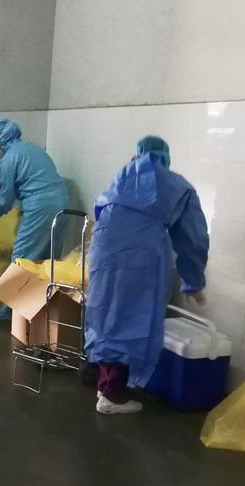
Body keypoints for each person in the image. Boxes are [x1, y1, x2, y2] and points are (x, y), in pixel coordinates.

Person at [85, 136, 209, 415]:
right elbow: (193, 239)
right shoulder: (178, 186)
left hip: (104, 250)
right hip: (141, 255)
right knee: (133, 320)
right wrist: (193, 282)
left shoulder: (122, 177)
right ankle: (113, 395)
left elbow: (99, 208)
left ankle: (106, 383)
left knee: (106, 317)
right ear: (166, 158)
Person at [0, 118, 69, 321]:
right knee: (48, 260)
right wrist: (23, 207)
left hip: (40, 207)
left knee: (22, 258)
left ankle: (9, 310)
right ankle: (42, 309)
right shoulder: (34, 150)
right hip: (62, 203)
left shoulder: (9, 160)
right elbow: (39, 180)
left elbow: (5, 199)